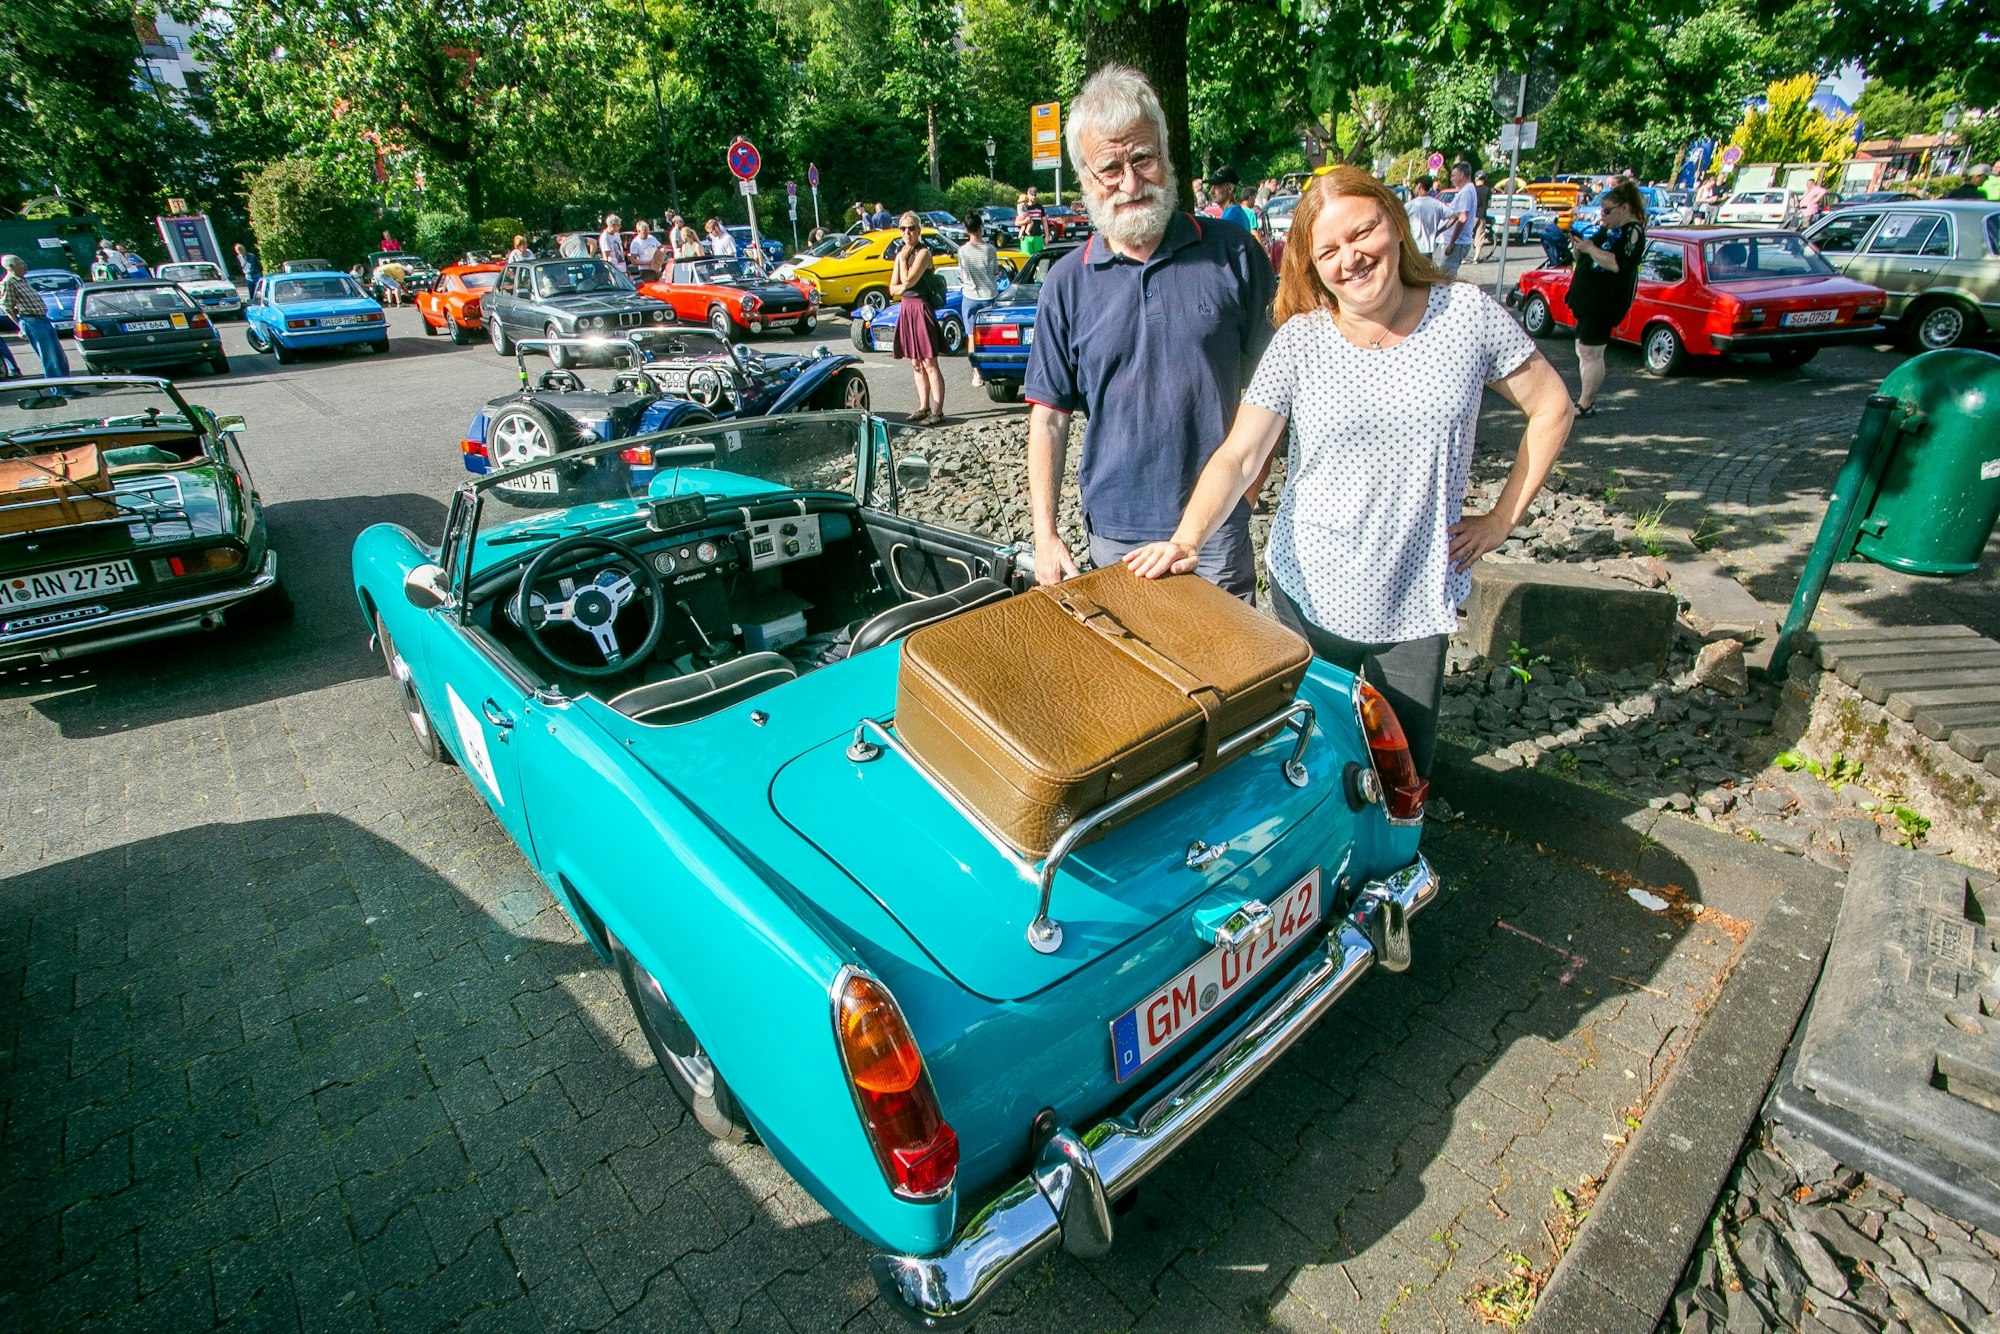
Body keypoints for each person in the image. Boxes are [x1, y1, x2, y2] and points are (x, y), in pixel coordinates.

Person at [1123, 167, 1573, 780]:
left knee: (1403, 774)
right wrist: (1187, 540)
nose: (1351, 259)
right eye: (1328, 250)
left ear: (1396, 223)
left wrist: (1500, 520)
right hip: (1308, 594)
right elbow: (1239, 455)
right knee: (1300, 759)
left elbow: (1552, 407)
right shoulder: (1300, 341)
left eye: (1363, 233)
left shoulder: (1466, 315)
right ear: (1310, 266)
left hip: (1414, 599)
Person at [1023, 63, 1277, 602]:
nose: (1131, 182)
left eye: (1143, 158)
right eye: (1110, 168)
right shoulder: (1065, 283)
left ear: (1166, 153)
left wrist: (1249, 492)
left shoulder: (1234, 253)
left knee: (1226, 675)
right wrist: (1045, 535)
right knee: (1134, 681)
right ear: (1086, 180)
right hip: (1115, 533)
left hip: (1217, 529)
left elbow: (1277, 390)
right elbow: (1047, 419)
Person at [1568, 180, 1647, 417]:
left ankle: (1585, 402)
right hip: (1590, 298)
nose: (1603, 216)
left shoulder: (1632, 232)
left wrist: (1591, 249)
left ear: (1624, 208)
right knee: (1584, 349)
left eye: (1607, 211)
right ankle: (1586, 399)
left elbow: (1617, 263)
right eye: (1601, 210)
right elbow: (1588, 255)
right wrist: (1581, 247)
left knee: (1592, 351)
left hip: (1605, 300)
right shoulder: (1609, 229)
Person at [889, 212, 947, 424]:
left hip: (921, 308)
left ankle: (937, 411)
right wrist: (902, 273)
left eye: (911, 228)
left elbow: (908, 280)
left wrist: (903, 261)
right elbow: (893, 287)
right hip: (906, 309)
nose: (907, 232)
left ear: (919, 231)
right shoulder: (900, 255)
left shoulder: (923, 253)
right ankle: (923, 406)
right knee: (915, 362)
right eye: (903, 228)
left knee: (929, 362)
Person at [4, 254, 71, 376]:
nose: (25, 265)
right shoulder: (8, 283)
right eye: (21, 263)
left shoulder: (23, 280)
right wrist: (20, 325)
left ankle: (69, 386)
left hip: (43, 319)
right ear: (12, 266)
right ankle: (59, 390)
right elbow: (7, 307)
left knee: (59, 354)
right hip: (31, 321)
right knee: (49, 357)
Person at [956, 213, 1000, 385]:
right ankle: (992, 369)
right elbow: (995, 271)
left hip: (970, 296)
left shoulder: (962, 251)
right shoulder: (989, 249)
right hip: (989, 295)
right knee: (992, 335)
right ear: (980, 227)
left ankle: (977, 374)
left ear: (967, 230)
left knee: (971, 336)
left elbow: (962, 273)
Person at [1440, 163, 1480, 277]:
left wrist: (1451, 243)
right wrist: (1440, 231)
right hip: (1456, 242)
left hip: (1458, 243)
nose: (1451, 178)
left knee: (1445, 278)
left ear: (1461, 175)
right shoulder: (1466, 190)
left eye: (1453, 175)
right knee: (1444, 276)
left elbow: (1462, 218)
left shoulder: (1466, 192)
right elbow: (1455, 217)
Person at [1404, 178, 1450, 264]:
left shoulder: (1410, 205)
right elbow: (1454, 217)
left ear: (1419, 185)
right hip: (1429, 248)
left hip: (1413, 247)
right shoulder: (1437, 204)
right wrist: (1440, 231)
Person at [1473, 170, 1494, 260]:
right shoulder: (1487, 190)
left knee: (1465, 235)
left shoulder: (1472, 189)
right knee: (1480, 236)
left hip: (1472, 215)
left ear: (1476, 178)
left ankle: (1463, 257)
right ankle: (1476, 257)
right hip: (1482, 215)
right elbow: (1489, 204)